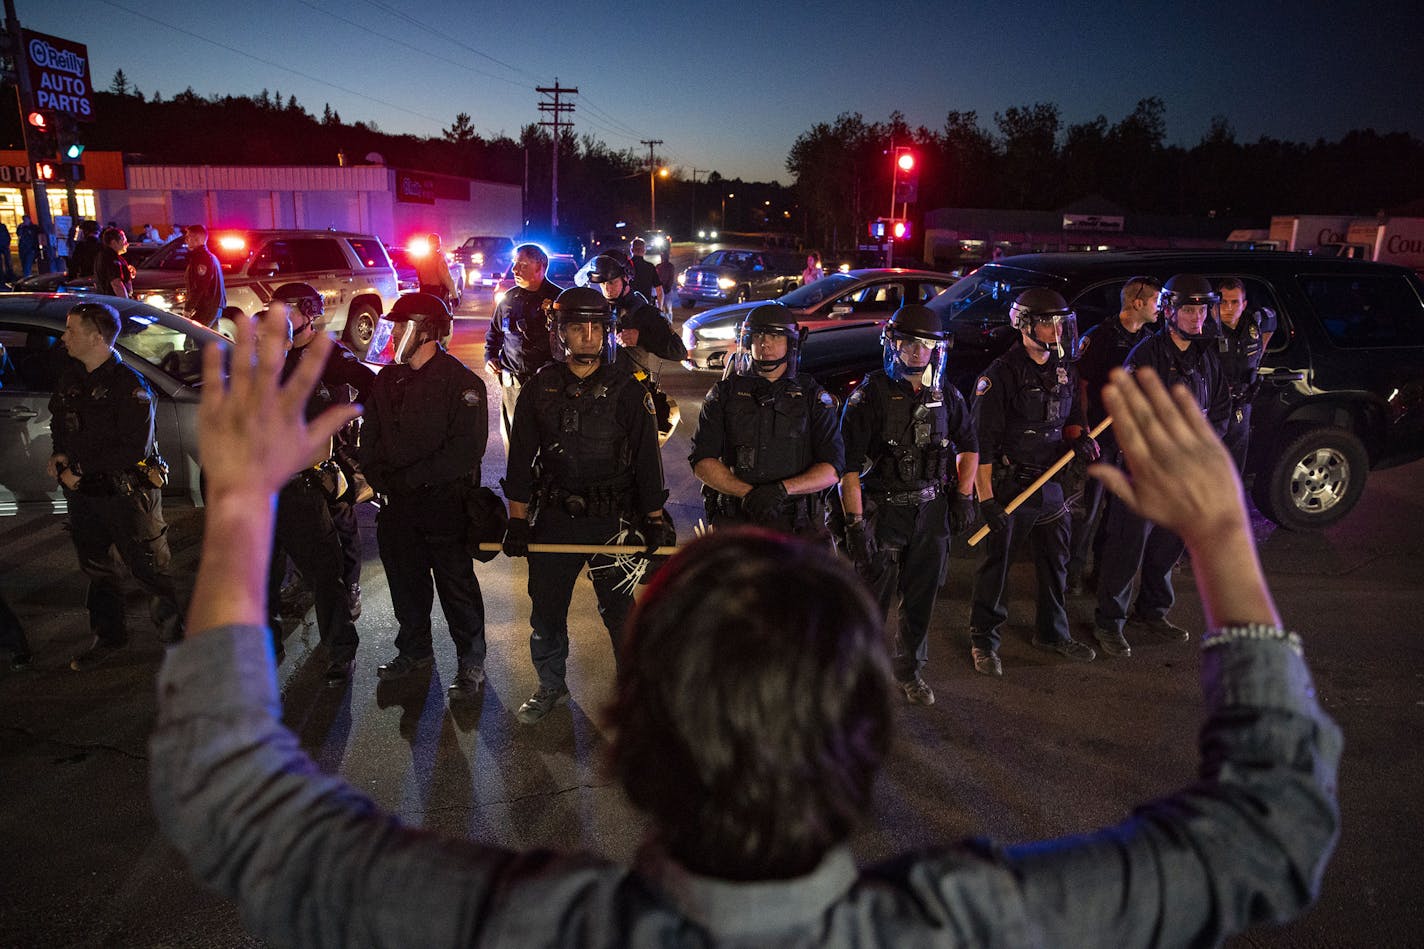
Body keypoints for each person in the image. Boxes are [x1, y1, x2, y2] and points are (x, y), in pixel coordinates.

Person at [150, 317, 1342, 944]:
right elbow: (1268, 835)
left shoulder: (517, 925)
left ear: (618, 734)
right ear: (866, 733)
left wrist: (242, 503)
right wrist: (1222, 540)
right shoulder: (976, 928)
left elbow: (228, 800)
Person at [500, 286, 673, 724]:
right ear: (562, 334)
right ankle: (551, 685)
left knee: (619, 611)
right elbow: (520, 459)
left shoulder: (628, 389)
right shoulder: (540, 387)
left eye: (597, 327)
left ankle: (634, 693)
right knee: (547, 608)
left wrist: (654, 518)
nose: (589, 336)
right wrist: (517, 520)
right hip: (556, 517)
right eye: (579, 327)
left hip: (613, 518)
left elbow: (647, 460)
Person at [838, 304, 978, 705]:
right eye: (909, 344)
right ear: (893, 345)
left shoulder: (947, 393)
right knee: (871, 601)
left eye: (926, 345)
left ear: (937, 350)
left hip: (931, 512)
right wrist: (854, 523)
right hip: (884, 511)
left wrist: (963, 496)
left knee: (921, 597)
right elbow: (847, 468)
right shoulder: (869, 396)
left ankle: (909, 670)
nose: (918, 353)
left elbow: (969, 445)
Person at [1093, 274, 1232, 659]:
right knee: (1126, 549)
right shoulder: (1145, 355)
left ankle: (1152, 612)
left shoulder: (1205, 357)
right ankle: (1109, 622)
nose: (1197, 317)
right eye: (1189, 309)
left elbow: (1219, 409)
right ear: (1169, 310)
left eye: (1202, 309)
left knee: (1166, 548)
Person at [359, 293, 490, 701]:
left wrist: (410, 478)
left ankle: (471, 662)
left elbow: (465, 450)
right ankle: (413, 651)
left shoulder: (461, 383)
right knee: (405, 584)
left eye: (401, 326)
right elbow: (371, 436)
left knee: (456, 588)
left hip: (443, 506)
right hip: (397, 508)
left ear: (426, 331)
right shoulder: (387, 379)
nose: (395, 333)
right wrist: (379, 476)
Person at [968, 289, 1100, 676]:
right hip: (1010, 488)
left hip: (1050, 485)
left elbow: (1072, 419)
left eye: (1061, 322)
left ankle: (1052, 634)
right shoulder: (998, 377)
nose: (1057, 330)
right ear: (1024, 325)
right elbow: (982, 446)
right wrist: (987, 500)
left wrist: (1081, 439)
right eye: (1048, 322)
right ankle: (984, 641)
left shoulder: (1064, 369)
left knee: (1055, 563)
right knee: (997, 566)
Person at [48, 302, 183, 669]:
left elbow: (131, 449)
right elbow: (59, 419)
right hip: (85, 496)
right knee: (98, 570)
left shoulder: (130, 387)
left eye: (71, 330)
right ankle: (109, 637)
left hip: (126, 496)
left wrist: (81, 471)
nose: (64, 337)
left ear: (96, 337)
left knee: (150, 570)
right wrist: (59, 454)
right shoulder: (71, 378)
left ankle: (177, 648)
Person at [259, 306, 360, 686]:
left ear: (288, 343)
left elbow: (322, 445)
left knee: (324, 576)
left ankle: (340, 650)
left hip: (297, 494)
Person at [689, 303, 843, 536]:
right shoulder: (724, 393)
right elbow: (702, 460)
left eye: (774, 336)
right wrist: (748, 493)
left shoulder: (812, 395)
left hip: (795, 524)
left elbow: (833, 467)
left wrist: (781, 490)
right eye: (758, 335)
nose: (765, 343)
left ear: (791, 343)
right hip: (735, 520)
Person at [274, 282, 374, 622]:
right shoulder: (278, 350)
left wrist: (346, 420)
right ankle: (305, 581)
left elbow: (370, 386)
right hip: (289, 461)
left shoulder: (328, 353)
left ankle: (350, 586)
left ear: (309, 312)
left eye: (288, 309)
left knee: (340, 525)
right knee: (298, 529)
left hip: (329, 458)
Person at [1066, 276, 1161, 594]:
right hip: (1099, 439)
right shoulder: (1100, 337)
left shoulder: (1149, 341)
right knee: (1087, 511)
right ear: (1138, 303)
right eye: (1155, 302)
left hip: (1129, 441)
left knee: (1117, 515)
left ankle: (1101, 574)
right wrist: (1084, 429)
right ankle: (1073, 575)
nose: (1158, 308)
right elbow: (1080, 385)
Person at [585, 252, 687, 442]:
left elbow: (678, 351)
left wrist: (643, 337)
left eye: (612, 282)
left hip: (632, 391)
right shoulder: (597, 309)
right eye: (603, 284)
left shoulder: (644, 312)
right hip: (598, 393)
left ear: (625, 279)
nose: (607, 289)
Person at [484, 242, 561, 450]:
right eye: (515, 264)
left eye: (523, 265)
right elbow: (494, 334)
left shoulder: (558, 301)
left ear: (541, 267)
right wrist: (489, 358)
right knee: (513, 441)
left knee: (547, 444)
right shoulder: (508, 300)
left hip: (547, 386)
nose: (516, 270)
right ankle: (516, 482)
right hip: (512, 385)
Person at [1215, 277, 1277, 472]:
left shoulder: (1256, 322)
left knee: (1235, 463)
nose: (1228, 307)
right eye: (1223, 302)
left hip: (1242, 402)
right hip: (1214, 406)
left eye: (1235, 302)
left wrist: (1257, 358)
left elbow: (1271, 323)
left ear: (1244, 304)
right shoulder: (1206, 328)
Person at [182, 225, 227, 327]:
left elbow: (201, 285)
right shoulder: (208, 257)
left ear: (197, 239)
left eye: (188, 236)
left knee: (194, 338)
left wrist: (189, 307)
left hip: (206, 307)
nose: (186, 240)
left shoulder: (202, 258)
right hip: (212, 306)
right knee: (212, 341)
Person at [413, 233, 458, 309]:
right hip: (437, 295)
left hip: (424, 293)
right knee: (442, 317)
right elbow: (447, 278)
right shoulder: (439, 259)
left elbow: (419, 275)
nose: (439, 245)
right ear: (437, 244)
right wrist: (455, 296)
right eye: (439, 243)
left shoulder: (421, 259)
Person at [94, 227, 133, 299]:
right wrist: (126, 303)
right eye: (124, 241)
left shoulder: (104, 255)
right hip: (115, 302)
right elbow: (116, 284)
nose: (127, 244)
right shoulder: (111, 258)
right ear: (114, 242)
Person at [627, 237, 662, 309]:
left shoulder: (625, 266)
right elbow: (659, 290)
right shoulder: (650, 267)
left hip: (628, 307)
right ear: (644, 250)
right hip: (645, 307)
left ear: (631, 250)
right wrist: (660, 308)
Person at [654, 250, 676, 316]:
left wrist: (667, 288)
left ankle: (668, 322)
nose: (663, 257)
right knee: (662, 308)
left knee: (666, 308)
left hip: (666, 290)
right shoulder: (659, 266)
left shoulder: (669, 266)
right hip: (662, 289)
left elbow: (671, 279)